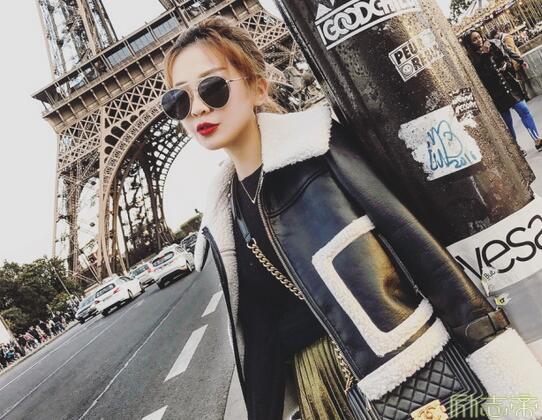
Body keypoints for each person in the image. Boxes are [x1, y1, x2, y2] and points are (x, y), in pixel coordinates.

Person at [163, 17, 542, 420]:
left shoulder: (319, 149)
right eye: (178, 100)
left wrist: (495, 356)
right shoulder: (225, 217)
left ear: (258, 86)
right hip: (322, 396)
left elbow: (417, 249)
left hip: (408, 377)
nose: (198, 107)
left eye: (213, 87)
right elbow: (261, 340)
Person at [463, 30, 542, 153]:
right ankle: (517, 150)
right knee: (508, 124)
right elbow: (483, 76)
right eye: (474, 39)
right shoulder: (473, 60)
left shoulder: (492, 45)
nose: (479, 40)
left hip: (509, 87)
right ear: (470, 43)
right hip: (496, 94)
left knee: (524, 110)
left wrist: (506, 64)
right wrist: (485, 54)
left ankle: (537, 139)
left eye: (479, 37)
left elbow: (504, 58)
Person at [490, 25, 531, 100]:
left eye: (494, 36)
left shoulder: (505, 38)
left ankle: (525, 94)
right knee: (521, 78)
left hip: (514, 61)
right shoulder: (502, 39)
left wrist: (519, 61)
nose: (495, 38)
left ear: (497, 33)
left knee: (521, 78)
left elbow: (510, 51)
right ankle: (525, 94)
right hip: (514, 61)